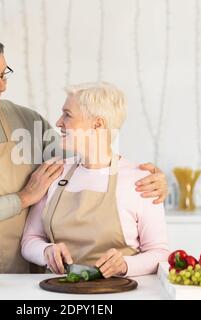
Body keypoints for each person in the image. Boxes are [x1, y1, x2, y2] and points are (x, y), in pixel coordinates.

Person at [0, 30, 168, 273]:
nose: (1, 86)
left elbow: (85, 156)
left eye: (4, 74)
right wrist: (23, 198)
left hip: (20, 272)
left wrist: (149, 177)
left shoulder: (25, 120)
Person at [21, 82, 169, 277]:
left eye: (68, 114)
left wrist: (125, 265)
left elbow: (160, 253)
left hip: (121, 293)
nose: (58, 123)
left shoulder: (140, 180)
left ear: (97, 124)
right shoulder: (54, 171)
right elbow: (30, 239)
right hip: (58, 291)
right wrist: (45, 251)